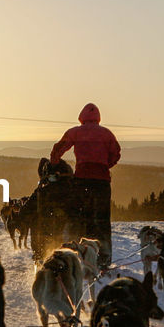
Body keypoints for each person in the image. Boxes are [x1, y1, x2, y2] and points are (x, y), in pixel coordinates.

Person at [49, 103, 121, 269]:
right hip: (102, 182)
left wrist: (54, 163)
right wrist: (104, 165)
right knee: (102, 220)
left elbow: (58, 149)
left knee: (78, 216)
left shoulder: (75, 132)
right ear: (98, 117)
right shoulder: (107, 133)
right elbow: (116, 153)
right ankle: (103, 259)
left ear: (81, 117)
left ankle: (76, 253)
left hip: (81, 179)